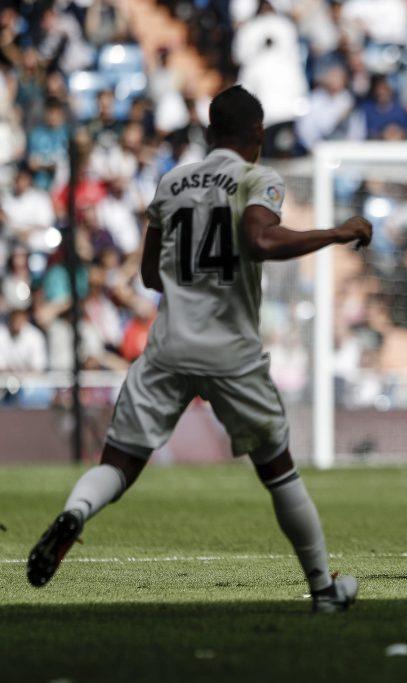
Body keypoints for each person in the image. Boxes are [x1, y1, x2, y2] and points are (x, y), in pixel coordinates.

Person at [27, 86, 373, 613]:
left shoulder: (171, 182)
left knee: (119, 463)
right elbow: (260, 240)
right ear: (257, 134)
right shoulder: (258, 179)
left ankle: (75, 513)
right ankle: (324, 589)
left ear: (211, 132)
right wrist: (335, 232)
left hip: (167, 346)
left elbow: (149, 274)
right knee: (278, 470)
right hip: (230, 350)